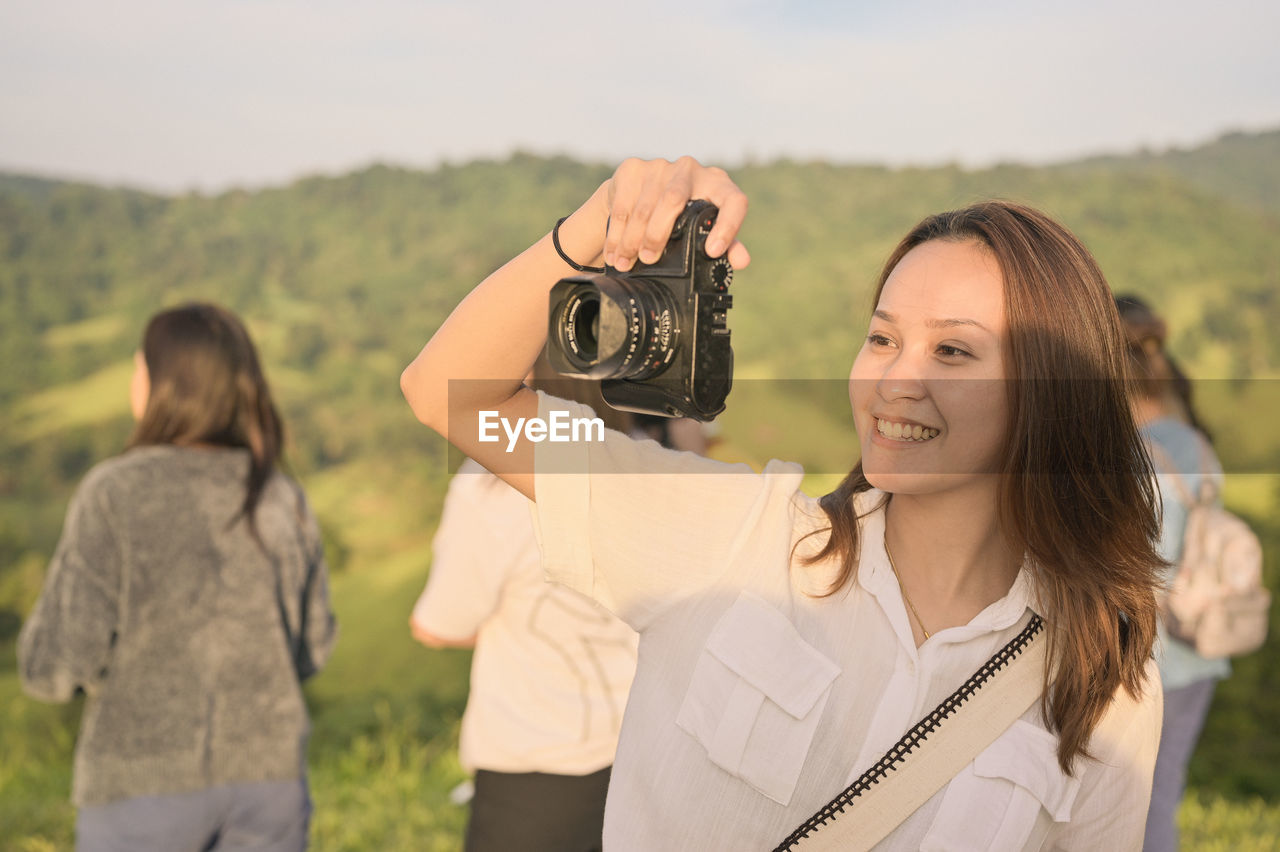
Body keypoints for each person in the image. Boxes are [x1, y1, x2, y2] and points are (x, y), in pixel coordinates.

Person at [400, 157, 1166, 849]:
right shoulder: (734, 538)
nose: (894, 379)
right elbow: (452, 395)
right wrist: (593, 227)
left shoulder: (1101, 677)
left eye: (953, 350)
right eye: (882, 338)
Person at [18, 303, 337, 852]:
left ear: (159, 383)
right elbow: (312, 649)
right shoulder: (281, 495)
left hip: (139, 784)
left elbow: (54, 664)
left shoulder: (115, 491)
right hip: (269, 781)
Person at [409, 366, 639, 852]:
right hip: (646, 757)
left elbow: (439, 624)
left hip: (535, 773)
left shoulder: (490, 487)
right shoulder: (650, 458)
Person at [1116, 295, 1229, 852]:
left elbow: (1139, 572)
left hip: (1148, 657)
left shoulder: (1137, 456)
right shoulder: (1197, 445)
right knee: (1163, 794)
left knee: (1131, 806)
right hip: (1200, 646)